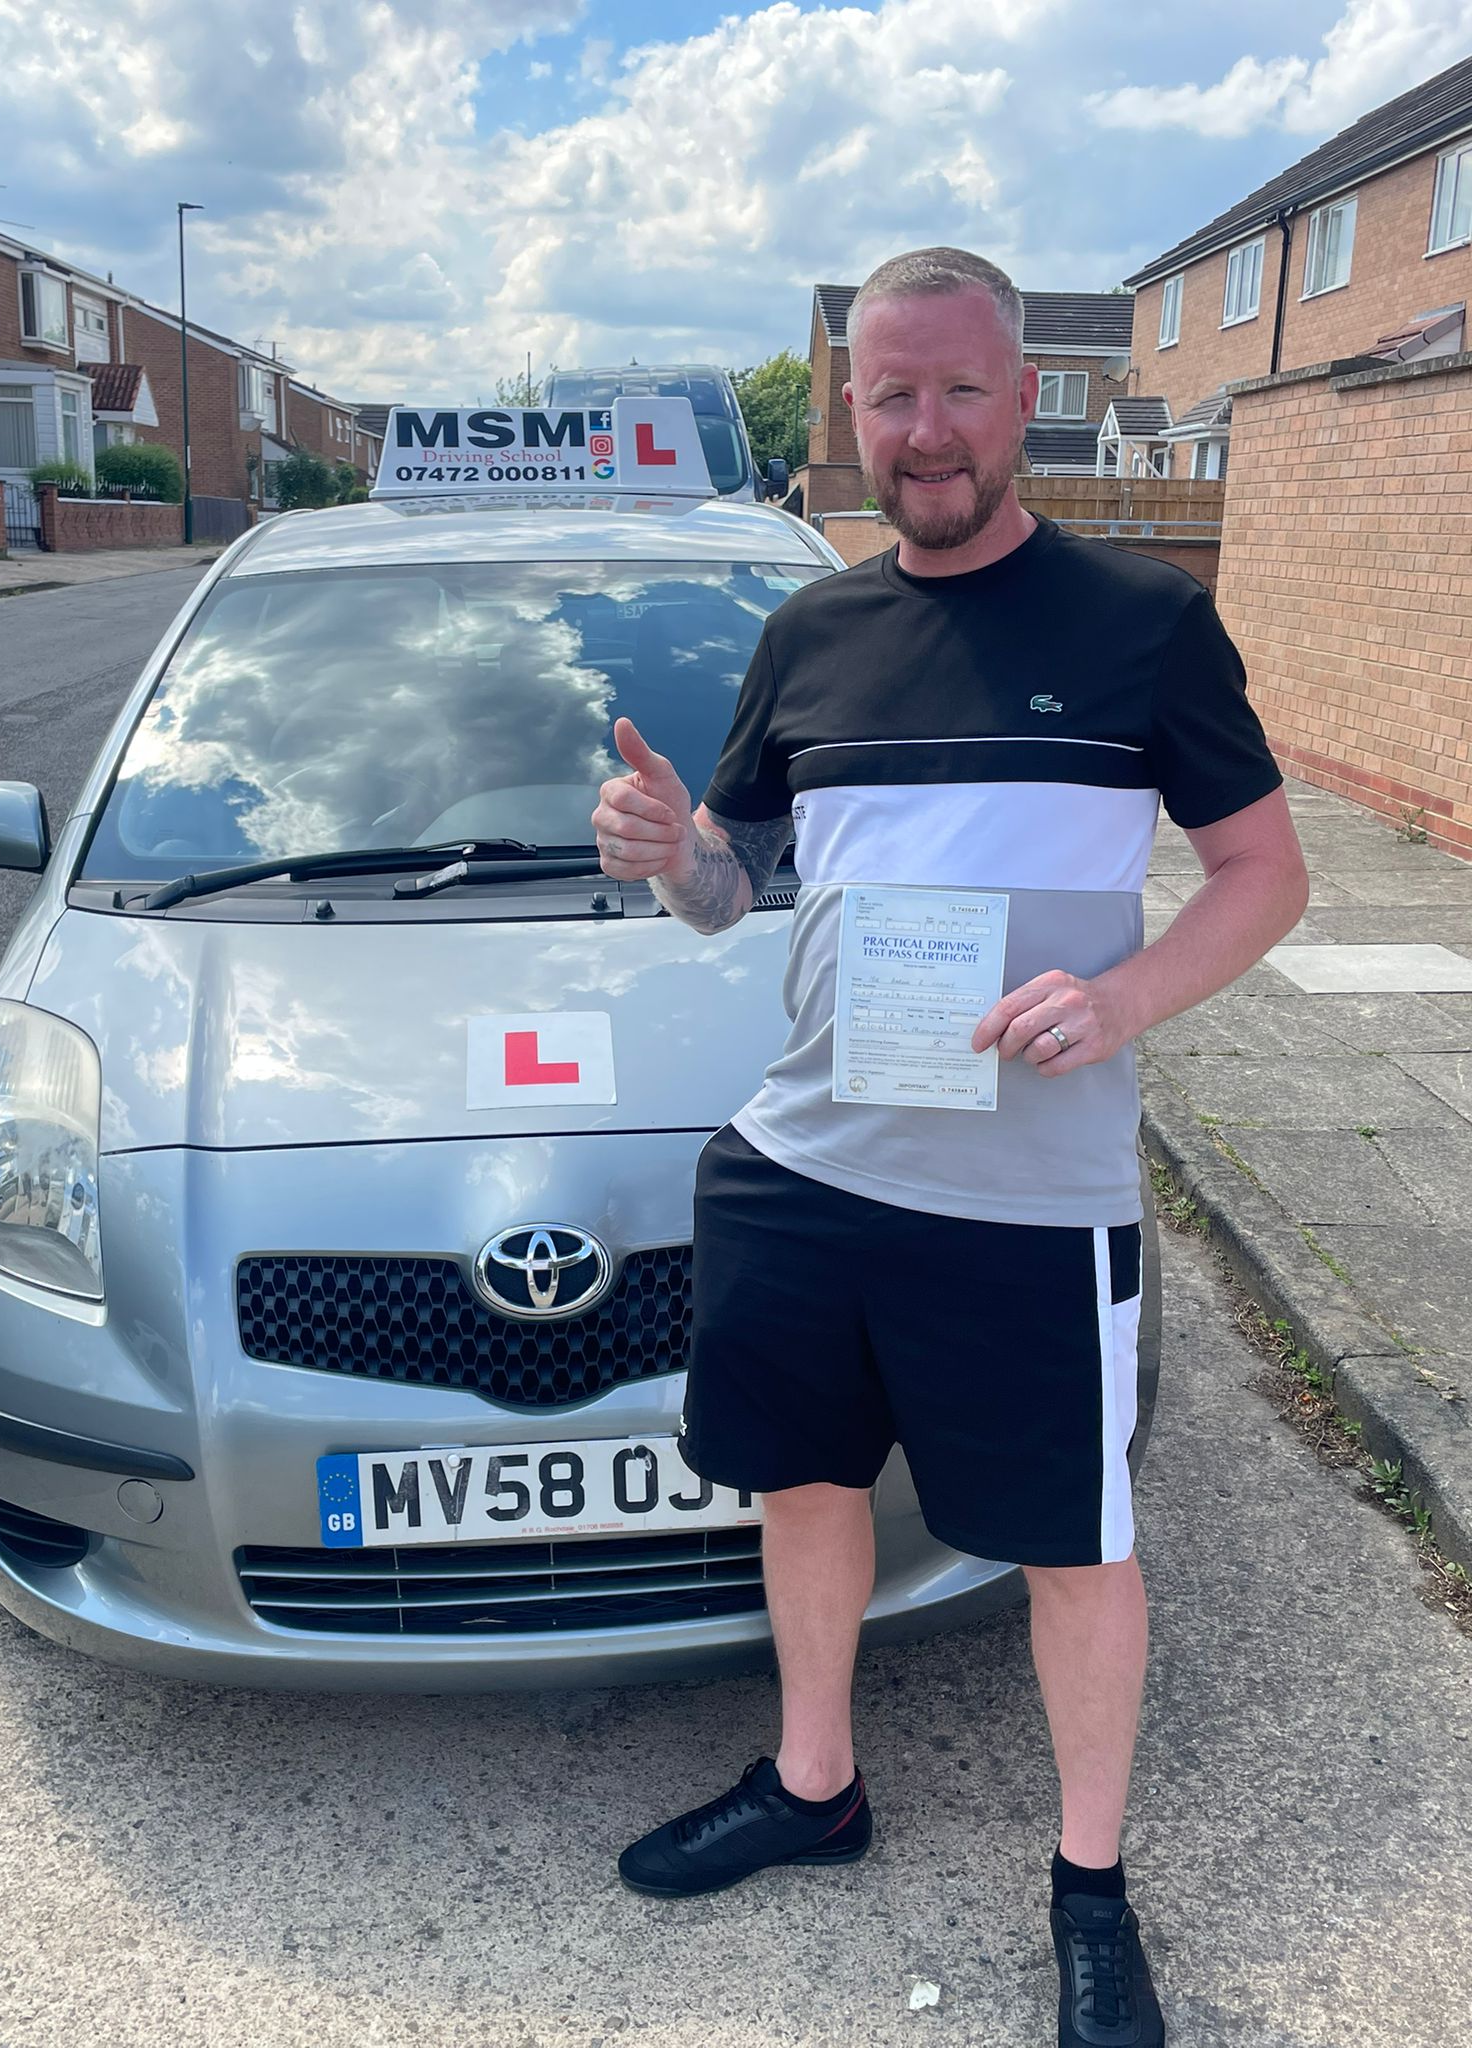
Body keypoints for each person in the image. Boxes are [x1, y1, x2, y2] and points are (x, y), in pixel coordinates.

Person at [591, 246, 1307, 2047]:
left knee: (1076, 1544)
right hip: (809, 1172)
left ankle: (1089, 1888)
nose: (926, 431)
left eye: (962, 391)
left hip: (1031, 1195)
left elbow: (1263, 874)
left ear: (1023, 399)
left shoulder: (1144, 622)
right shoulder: (810, 633)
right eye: (890, 395)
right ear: (852, 413)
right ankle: (814, 1785)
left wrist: (1130, 999)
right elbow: (734, 887)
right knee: (809, 1486)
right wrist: (672, 844)